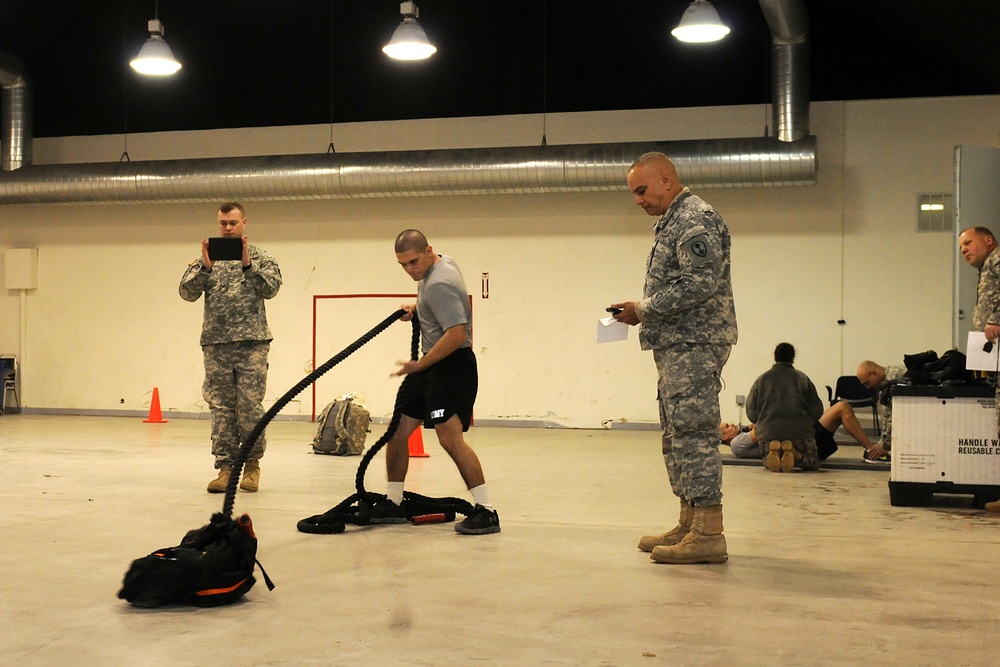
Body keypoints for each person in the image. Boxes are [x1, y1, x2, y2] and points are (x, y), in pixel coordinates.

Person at [610, 151, 737, 565]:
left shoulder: (694, 218)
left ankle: (709, 533)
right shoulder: (673, 220)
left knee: (695, 433)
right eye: (634, 193)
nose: (638, 200)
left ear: (666, 179)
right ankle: (689, 521)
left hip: (695, 343)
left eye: (642, 190)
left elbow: (700, 283)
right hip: (679, 343)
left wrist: (642, 309)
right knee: (677, 432)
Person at [371, 229, 500, 535]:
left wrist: (420, 365)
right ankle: (394, 502)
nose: (410, 269)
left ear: (428, 251)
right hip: (431, 364)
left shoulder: (439, 282)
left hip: (451, 365)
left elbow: (456, 334)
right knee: (398, 430)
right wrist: (419, 310)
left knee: (449, 438)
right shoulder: (442, 264)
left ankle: (487, 511)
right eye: (403, 265)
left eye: (414, 261)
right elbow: (442, 312)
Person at [179, 202, 282, 493]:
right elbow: (186, 292)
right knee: (222, 409)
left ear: (244, 223)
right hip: (216, 345)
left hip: (252, 344)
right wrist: (204, 269)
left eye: (233, 223)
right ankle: (225, 468)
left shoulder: (261, 258)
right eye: (223, 223)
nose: (227, 228)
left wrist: (248, 265)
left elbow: (272, 289)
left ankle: (251, 466)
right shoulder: (206, 259)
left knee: (249, 407)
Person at [958, 225, 1000, 512]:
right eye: (961, 248)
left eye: (968, 244)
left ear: (988, 240)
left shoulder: (997, 259)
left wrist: (997, 317)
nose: (964, 251)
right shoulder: (987, 267)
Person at [721, 400, 889, 462]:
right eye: (728, 427)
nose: (732, 425)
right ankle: (872, 451)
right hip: (802, 445)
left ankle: (870, 450)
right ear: (724, 437)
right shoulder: (736, 444)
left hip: (801, 438)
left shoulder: (741, 436)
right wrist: (758, 424)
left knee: (842, 408)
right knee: (842, 408)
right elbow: (767, 429)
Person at [744, 343, 824, 472]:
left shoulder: (761, 380)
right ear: (792, 358)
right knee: (812, 463)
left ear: (775, 357)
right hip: (800, 434)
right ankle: (795, 453)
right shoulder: (802, 378)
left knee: (767, 463)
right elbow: (817, 410)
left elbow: (751, 413)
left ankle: (775, 452)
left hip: (768, 435)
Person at [856, 360, 903, 462]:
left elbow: (892, 416)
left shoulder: (893, 380)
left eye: (867, 383)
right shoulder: (887, 380)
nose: (867, 387)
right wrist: (882, 443)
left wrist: (885, 446)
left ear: (875, 373)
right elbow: (887, 418)